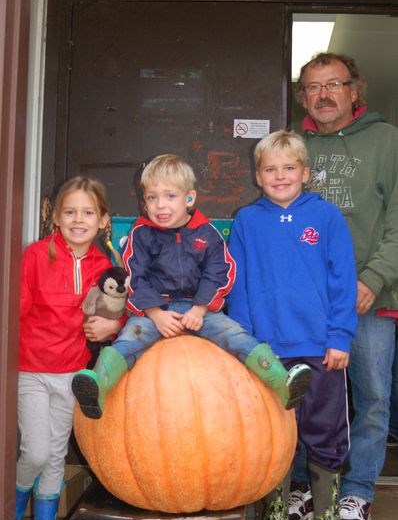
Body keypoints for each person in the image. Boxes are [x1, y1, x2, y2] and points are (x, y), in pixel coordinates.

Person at [71, 153, 312, 420]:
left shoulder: (206, 233)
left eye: (170, 196)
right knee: (131, 339)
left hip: (201, 308)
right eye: (152, 198)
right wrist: (155, 313)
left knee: (235, 335)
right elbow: (134, 276)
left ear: (189, 198)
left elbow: (220, 271)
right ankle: (99, 386)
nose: (160, 205)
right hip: (155, 309)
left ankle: (281, 382)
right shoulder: (141, 234)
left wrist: (199, 309)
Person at [227, 130, 362, 520]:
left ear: (305, 172)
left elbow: (343, 282)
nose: (280, 176)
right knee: (275, 432)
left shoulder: (326, 217)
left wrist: (340, 336)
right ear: (257, 175)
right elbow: (239, 285)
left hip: (322, 348)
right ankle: (275, 515)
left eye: (289, 168)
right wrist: (247, 344)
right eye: (270, 169)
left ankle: (326, 516)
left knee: (326, 428)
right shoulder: (247, 221)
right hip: (268, 351)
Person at [291, 52, 398, 520]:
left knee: (371, 396)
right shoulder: (292, 146)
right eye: (313, 87)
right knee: (300, 392)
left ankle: (356, 495)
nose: (323, 94)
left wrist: (371, 279)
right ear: (304, 97)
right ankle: (299, 489)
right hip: (307, 303)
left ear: (355, 90)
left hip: (370, 298)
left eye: (334, 84)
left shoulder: (388, 141)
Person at [15, 177, 123, 520]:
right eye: (71, 211)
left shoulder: (104, 266)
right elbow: (16, 312)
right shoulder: (35, 256)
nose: (79, 219)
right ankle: (11, 517)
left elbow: (119, 314)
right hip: (30, 369)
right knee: (36, 451)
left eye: (88, 212)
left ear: (102, 220)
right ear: (56, 217)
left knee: (56, 454)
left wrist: (112, 326)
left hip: (71, 372)